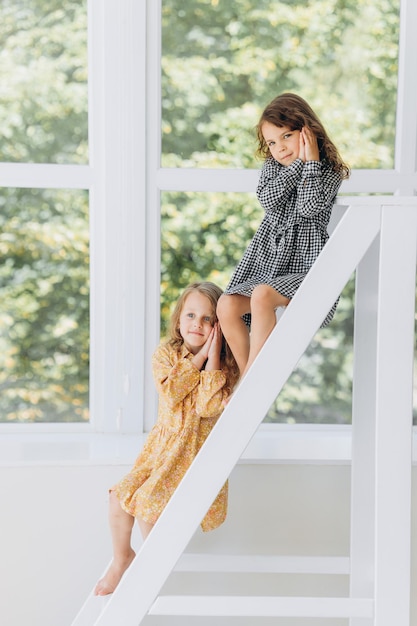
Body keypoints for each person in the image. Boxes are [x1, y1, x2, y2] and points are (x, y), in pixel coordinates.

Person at [94, 281, 239, 596]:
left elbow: (207, 406)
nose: (197, 324)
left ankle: (151, 567)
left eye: (207, 319)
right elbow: (172, 392)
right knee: (118, 498)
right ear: (178, 319)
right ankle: (123, 559)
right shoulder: (165, 354)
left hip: (192, 454)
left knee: (147, 505)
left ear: (218, 326)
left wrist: (213, 356)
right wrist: (197, 360)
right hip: (160, 450)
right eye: (190, 315)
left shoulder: (227, 365)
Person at [217, 92, 350, 379]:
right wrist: (297, 165)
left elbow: (309, 206)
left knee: (263, 295)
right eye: (272, 143)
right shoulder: (273, 169)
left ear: (307, 132)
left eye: (286, 136)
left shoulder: (327, 171)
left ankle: (251, 379)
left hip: (305, 267)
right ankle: (247, 377)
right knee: (226, 304)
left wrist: (311, 161)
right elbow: (268, 199)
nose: (279, 148)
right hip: (270, 260)